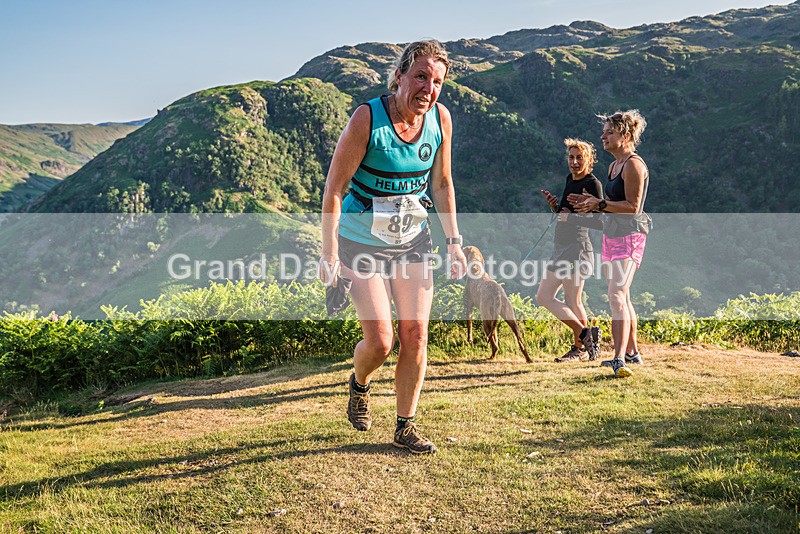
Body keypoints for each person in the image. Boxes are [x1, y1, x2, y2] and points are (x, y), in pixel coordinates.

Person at [319, 40, 466, 454]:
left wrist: (454, 243)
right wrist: (329, 252)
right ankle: (359, 382)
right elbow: (334, 189)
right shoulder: (368, 117)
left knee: (416, 333)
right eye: (420, 76)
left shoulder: (440, 119)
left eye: (436, 81)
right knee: (382, 341)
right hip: (359, 241)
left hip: (412, 240)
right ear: (399, 76)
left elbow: (441, 184)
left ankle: (405, 426)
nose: (428, 88)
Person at [569, 110, 649, 378]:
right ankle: (633, 353)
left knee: (615, 294)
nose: (602, 136)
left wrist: (599, 204)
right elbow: (611, 208)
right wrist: (590, 207)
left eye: (609, 132)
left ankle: (618, 359)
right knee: (622, 296)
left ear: (625, 135)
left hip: (630, 237)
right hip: (612, 236)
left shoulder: (633, 165)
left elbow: (633, 208)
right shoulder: (614, 166)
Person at [536, 138, 603, 362]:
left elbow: (601, 222)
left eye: (579, 158)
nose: (574, 162)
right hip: (561, 246)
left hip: (577, 247)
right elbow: (565, 213)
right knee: (551, 297)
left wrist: (571, 217)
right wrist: (555, 207)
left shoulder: (593, 184)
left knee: (562, 298)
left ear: (589, 159)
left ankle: (581, 345)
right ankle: (584, 338)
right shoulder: (569, 179)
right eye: (571, 157)